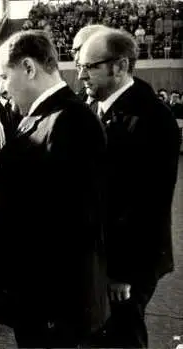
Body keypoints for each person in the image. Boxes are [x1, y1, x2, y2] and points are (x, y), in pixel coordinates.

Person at [0, 30, 110, 348]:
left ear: (28, 67)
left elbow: (69, 217)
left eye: (4, 77)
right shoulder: (42, 117)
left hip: (53, 297)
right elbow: (27, 199)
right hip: (38, 296)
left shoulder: (71, 121)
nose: (2, 91)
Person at [78, 28, 180, 348]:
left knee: (123, 336)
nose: (81, 75)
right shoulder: (94, 108)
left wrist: (121, 270)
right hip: (101, 253)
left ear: (120, 67)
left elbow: (147, 203)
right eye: (79, 66)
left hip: (128, 263)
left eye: (90, 67)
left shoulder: (152, 118)